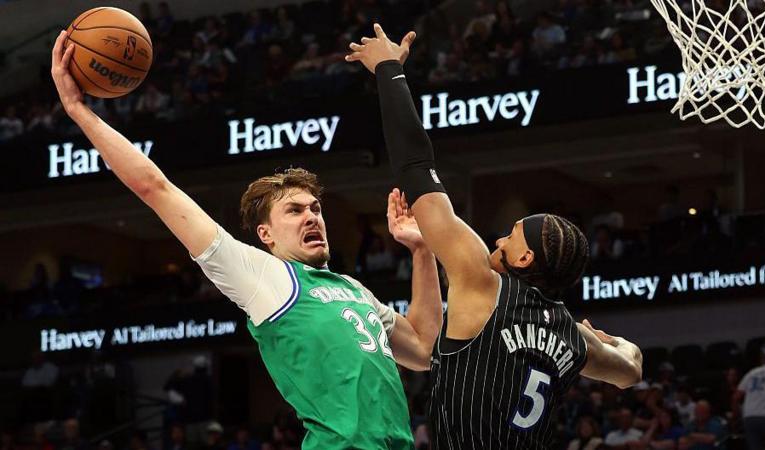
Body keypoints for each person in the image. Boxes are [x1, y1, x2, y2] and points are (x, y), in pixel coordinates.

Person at [51, 30, 443, 450]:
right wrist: (77, 110)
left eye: (315, 208)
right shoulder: (265, 278)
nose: (311, 216)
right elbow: (156, 188)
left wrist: (421, 252)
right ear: (265, 235)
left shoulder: (353, 290)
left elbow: (422, 350)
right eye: (294, 210)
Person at [346, 23, 643, 450]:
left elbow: (415, 164)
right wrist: (613, 340)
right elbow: (631, 370)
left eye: (513, 235)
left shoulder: (482, 284)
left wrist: (388, 70)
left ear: (525, 261)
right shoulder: (573, 339)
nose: (501, 239)